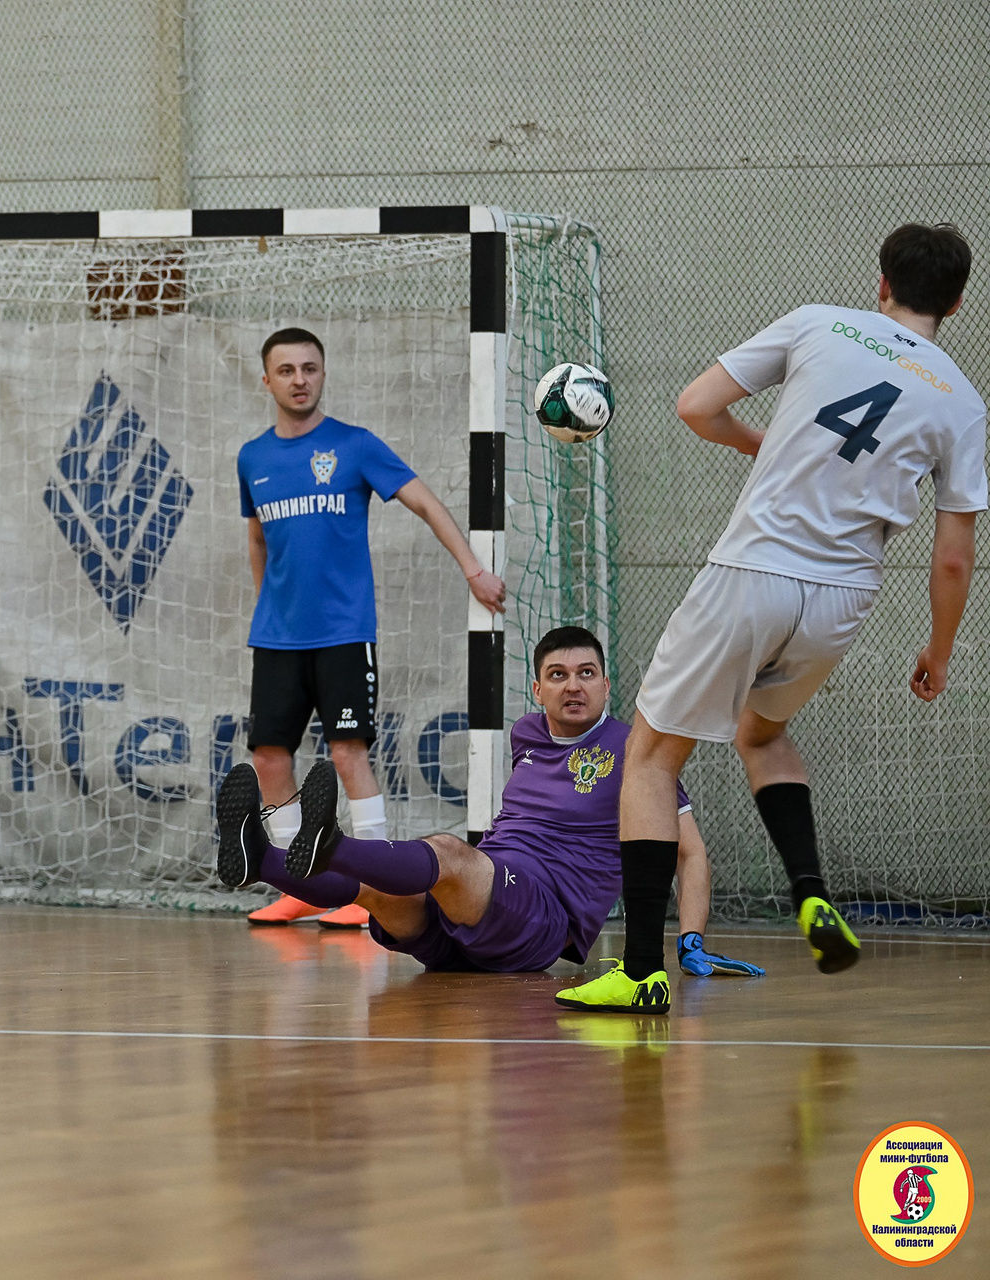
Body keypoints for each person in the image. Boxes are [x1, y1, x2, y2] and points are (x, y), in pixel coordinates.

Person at [560, 223, 984, 1013]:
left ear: (882, 282)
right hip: (843, 598)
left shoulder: (819, 323)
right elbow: (954, 557)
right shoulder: (961, 400)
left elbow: (696, 406)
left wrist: (761, 443)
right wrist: (939, 649)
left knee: (650, 759)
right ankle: (811, 891)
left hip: (753, 573)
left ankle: (642, 972)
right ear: (957, 302)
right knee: (761, 735)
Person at [216, 628, 759, 983]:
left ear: (606, 685)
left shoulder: (635, 750)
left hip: (542, 917)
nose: (574, 686)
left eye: (586, 673)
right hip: (468, 923)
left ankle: (331, 845)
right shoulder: (527, 734)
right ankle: (259, 858)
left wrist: (690, 940)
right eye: (559, 675)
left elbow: (690, 853)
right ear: (537, 689)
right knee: (375, 890)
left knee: (448, 853)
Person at [239, 327, 506, 930]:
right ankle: (303, 886)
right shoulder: (253, 457)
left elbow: (426, 503)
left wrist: (473, 570)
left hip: (343, 634)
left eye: (310, 368)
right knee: (270, 758)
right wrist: (266, 607)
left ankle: (377, 893)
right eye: (287, 370)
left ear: (323, 373)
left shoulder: (354, 446)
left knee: (347, 753)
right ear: (267, 380)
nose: (300, 380)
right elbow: (257, 538)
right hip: (277, 639)